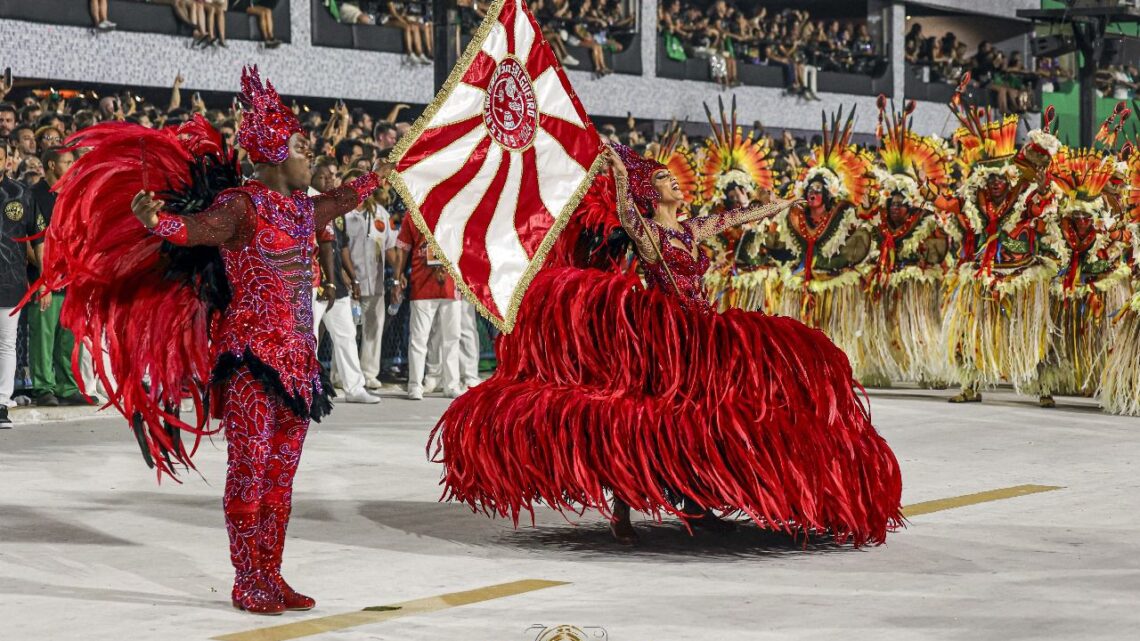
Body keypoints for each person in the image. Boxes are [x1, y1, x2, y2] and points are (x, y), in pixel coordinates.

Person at [428, 141, 903, 547]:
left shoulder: (691, 229)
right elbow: (627, 214)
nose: (676, 184)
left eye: (674, 180)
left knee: (705, 418)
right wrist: (618, 175)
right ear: (652, 193)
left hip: (703, 334)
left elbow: (735, 217)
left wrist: (775, 206)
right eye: (665, 180)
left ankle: (698, 505)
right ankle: (622, 509)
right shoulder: (648, 231)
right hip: (664, 338)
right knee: (637, 417)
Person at [40, 67, 386, 614]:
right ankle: (247, 578)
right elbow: (195, 229)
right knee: (249, 469)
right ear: (274, 152)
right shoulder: (241, 207)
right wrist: (158, 221)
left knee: (281, 475)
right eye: (300, 145)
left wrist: (375, 178)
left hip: (298, 364)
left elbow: (340, 200)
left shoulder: (300, 208)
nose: (308, 153)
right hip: (250, 357)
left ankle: (272, 572)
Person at [27, 147, 90, 407]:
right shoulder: (33, 195)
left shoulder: (74, 195)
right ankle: (44, 388)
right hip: (45, 279)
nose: (73, 166)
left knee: (69, 337)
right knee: (43, 336)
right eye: (67, 162)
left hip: (72, 277)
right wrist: (44, 280)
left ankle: (68, 386)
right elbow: (29, 242)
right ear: (51, 165)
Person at [391, 218, 462, 400]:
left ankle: (451, 384)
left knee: (452, 337)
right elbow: (402, 248)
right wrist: (397, 279)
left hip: (450, 284)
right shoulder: (414, 212)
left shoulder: (455, 208)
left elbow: (465, 245)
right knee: (418, 339)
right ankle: (415, 385)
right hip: (422, 285)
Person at [342, 169, 398, 391]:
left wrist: (397, 274)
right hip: (348, 282)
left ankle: (369, 373)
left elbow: (390, 246)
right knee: (347, 331)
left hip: (375, 281)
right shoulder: (342, 214)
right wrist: (344, 275)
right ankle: (342, 374)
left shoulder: (381, 214)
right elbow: (337, 249)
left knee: (373, 329)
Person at [0, 143, 37, 427]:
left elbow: (38, 239)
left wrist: (45, 278)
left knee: (6, 344)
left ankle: (2, 402)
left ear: (8, 161)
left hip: (9, 281)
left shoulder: (22, 194)